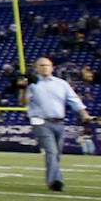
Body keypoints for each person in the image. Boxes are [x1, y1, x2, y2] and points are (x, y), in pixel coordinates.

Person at [24, 55, 86, 192]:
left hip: (59, 122)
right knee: (51, 151)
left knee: (57, 153)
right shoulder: (32, 83)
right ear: (36, 68)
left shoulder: (61, 83)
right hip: (40, 122)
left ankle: (53, 178)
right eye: (41, 65)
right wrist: (24, 88)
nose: (45, 68)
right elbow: (24, 102)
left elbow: (73, 99)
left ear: (52, 68)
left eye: (47, 65)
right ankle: (55, 181)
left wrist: (84, 114)